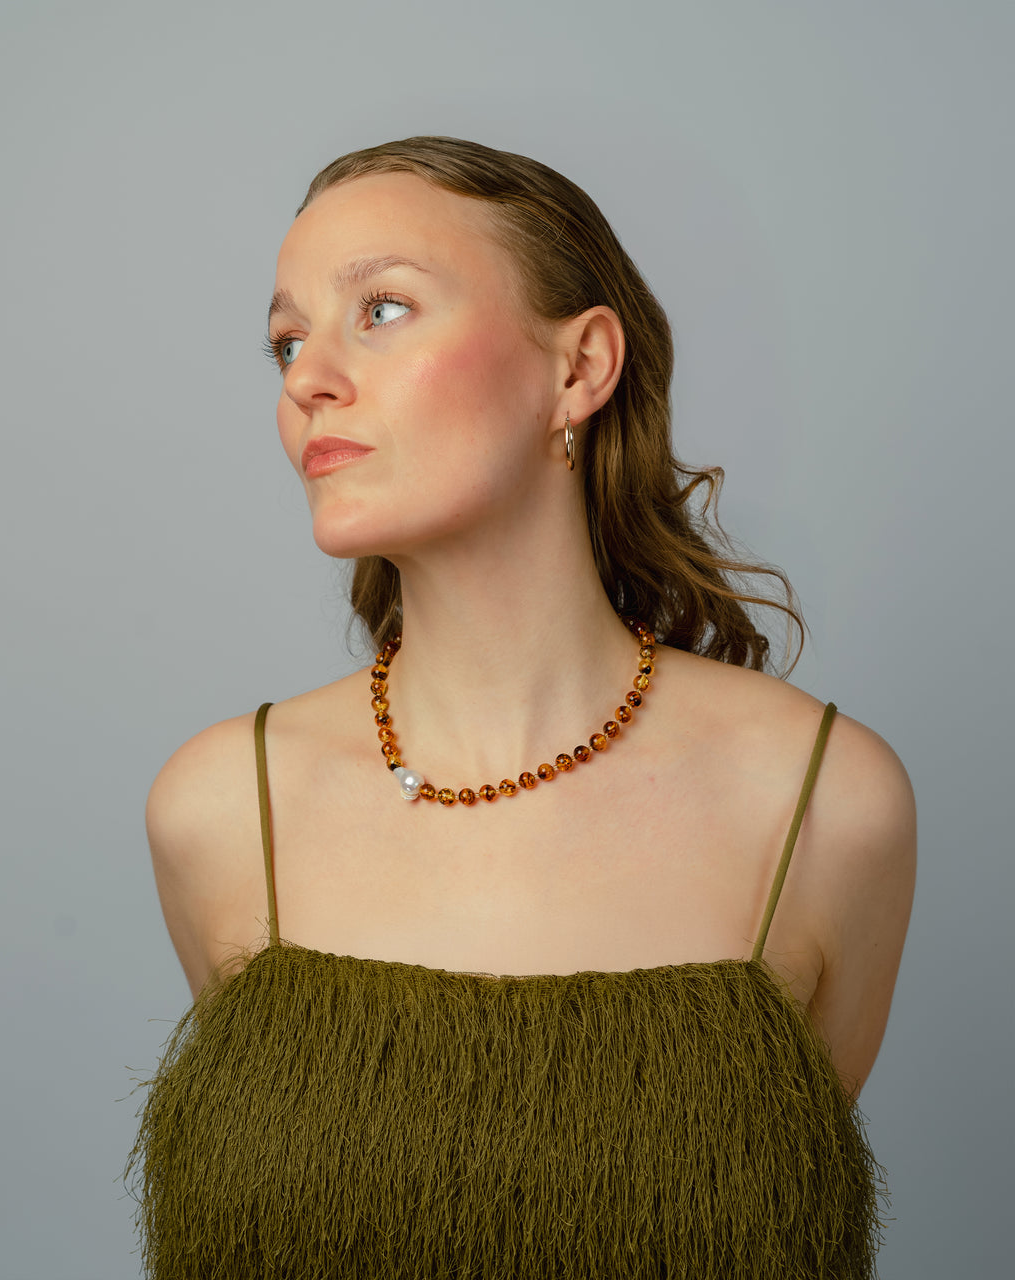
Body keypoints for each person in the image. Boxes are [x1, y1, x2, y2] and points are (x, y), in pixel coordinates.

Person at [129, 136, 916, 1278]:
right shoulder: (219, 806)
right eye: (286, 341)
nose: (306, 377)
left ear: (579, 366)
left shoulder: (822, 801)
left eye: (383, 309)